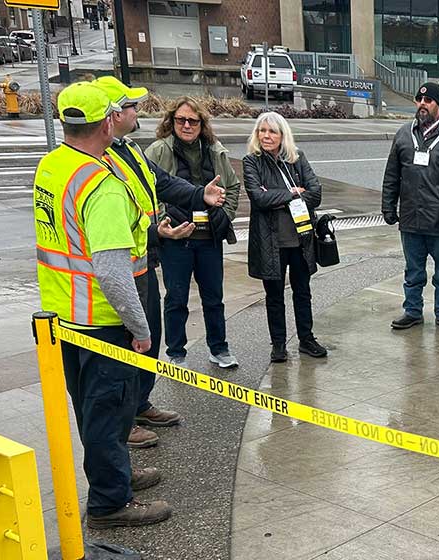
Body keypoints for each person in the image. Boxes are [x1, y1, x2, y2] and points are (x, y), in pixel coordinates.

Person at [33, 82, 171, 527]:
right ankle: (111, 503)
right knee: (108, 413)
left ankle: (119, 476)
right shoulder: (101, 186)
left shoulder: (54, 165)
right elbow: (112, 271)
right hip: (101, 319)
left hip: (63, 316)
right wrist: (141, 328)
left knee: (92, 410)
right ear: (109, 121)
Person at [90, 76, 224, 450]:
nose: (137, 111)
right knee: (129, 342)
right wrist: (157, 234)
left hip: (141, 261)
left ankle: (140, 402)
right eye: (131, 106)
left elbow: (160, 183)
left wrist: (201, 195)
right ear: (111, 115)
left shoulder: (127, 149)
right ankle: (124, 418)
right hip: (117, 272)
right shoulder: (99, 162)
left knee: (148, 336)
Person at [143, 97, 242, 369]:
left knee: (214, 297)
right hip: (177, 239)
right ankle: (176, 352)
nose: (186, 125)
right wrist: (164, 223)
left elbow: (233, 187)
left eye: (192, 121)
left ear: (202, 124)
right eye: (180, 120)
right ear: (171, 121)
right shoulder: (158, 151)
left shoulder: (215, 151)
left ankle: (219, 349)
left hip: (208, 237)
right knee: (176, 297)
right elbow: (147, 190)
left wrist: (225, 216)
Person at [382, 82, 439, 332]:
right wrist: (388, 206)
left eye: (428, 101)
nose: (422, 105)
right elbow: (392, 174)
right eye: (419, 100)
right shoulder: (403, 134)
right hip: (410, 218)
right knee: (413, 271)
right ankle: (412, 311)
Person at [242, 111, 328, 363]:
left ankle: (306, 339)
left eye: (272, 131)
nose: (266, 136)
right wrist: (292, 193)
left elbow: (315, 194)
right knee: (274, 296)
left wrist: (276, 196)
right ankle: (278, 344)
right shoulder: (251, 162)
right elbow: (258, 198)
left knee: (303, 292)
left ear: (283, 135)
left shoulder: (297, 158)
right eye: (262, 131)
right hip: (271, 243)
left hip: (299, 239)